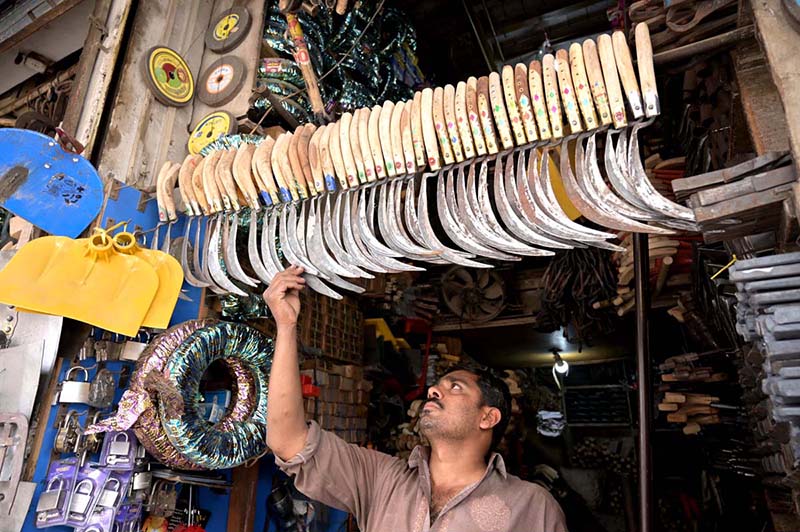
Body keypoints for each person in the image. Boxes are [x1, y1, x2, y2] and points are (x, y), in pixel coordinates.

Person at [264, 266, 567, 532]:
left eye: (456, 387)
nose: (434, 390)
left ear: (487, 417)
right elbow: (288, 442)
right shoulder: (381, 479)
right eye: (437, 385)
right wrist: (287, 326)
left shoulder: (532, 508)